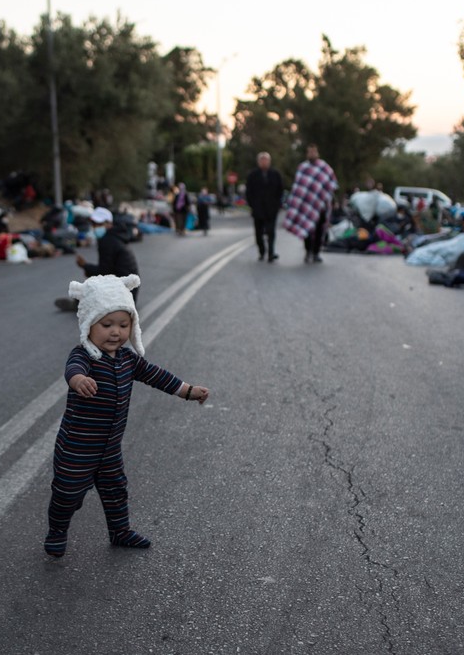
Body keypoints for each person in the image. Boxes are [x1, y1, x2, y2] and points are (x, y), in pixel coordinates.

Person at [44, 274, 210, 557]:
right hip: (78, 446)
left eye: (124, 325)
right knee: (68, 494)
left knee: (115, 490)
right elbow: (72, 369)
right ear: (88, 325)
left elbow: (157, 376)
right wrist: (78, 380)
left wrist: (187, 390)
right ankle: (57, 531)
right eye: (106, 324)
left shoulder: (128, 358)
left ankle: (120, 531)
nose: (115, 332)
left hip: (109, 447)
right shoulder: (85, 355)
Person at [55, 207, 140, 310]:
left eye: (99, 224)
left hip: (122, 295)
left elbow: (104, 272)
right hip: (129, 293)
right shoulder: (116, 236)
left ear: (109, 224)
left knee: (92, 285)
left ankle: (80, 304)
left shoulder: (107, 240)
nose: (95, 227)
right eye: (94, 224)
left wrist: (85, 266)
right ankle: (80, 302)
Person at [283, 144, 339, 263]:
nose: (312, 154)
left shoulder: (325, 168)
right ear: (307, 154)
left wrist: (333, 201)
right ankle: (308, 251)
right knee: (307, 230)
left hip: (321, 207)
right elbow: (298, 188)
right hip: (305, 206)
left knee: (319, 230)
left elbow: (331, 186)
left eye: (314, 152)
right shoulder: (303, 168)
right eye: (310, 152)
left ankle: (316, 253)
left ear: (317, 153)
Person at [245, 152, 285, 262]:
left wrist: (278, 205)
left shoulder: (275, 174)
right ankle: (262, 250)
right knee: (258, 233)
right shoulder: (253, 175)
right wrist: (252, 205)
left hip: (271, 209)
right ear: (258, 162)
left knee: (271, 231)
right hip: (258, 209)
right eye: (262, 160)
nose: (264, 162)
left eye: (266, 160)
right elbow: (249, 192)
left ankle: (271, 253)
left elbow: (280, 190)